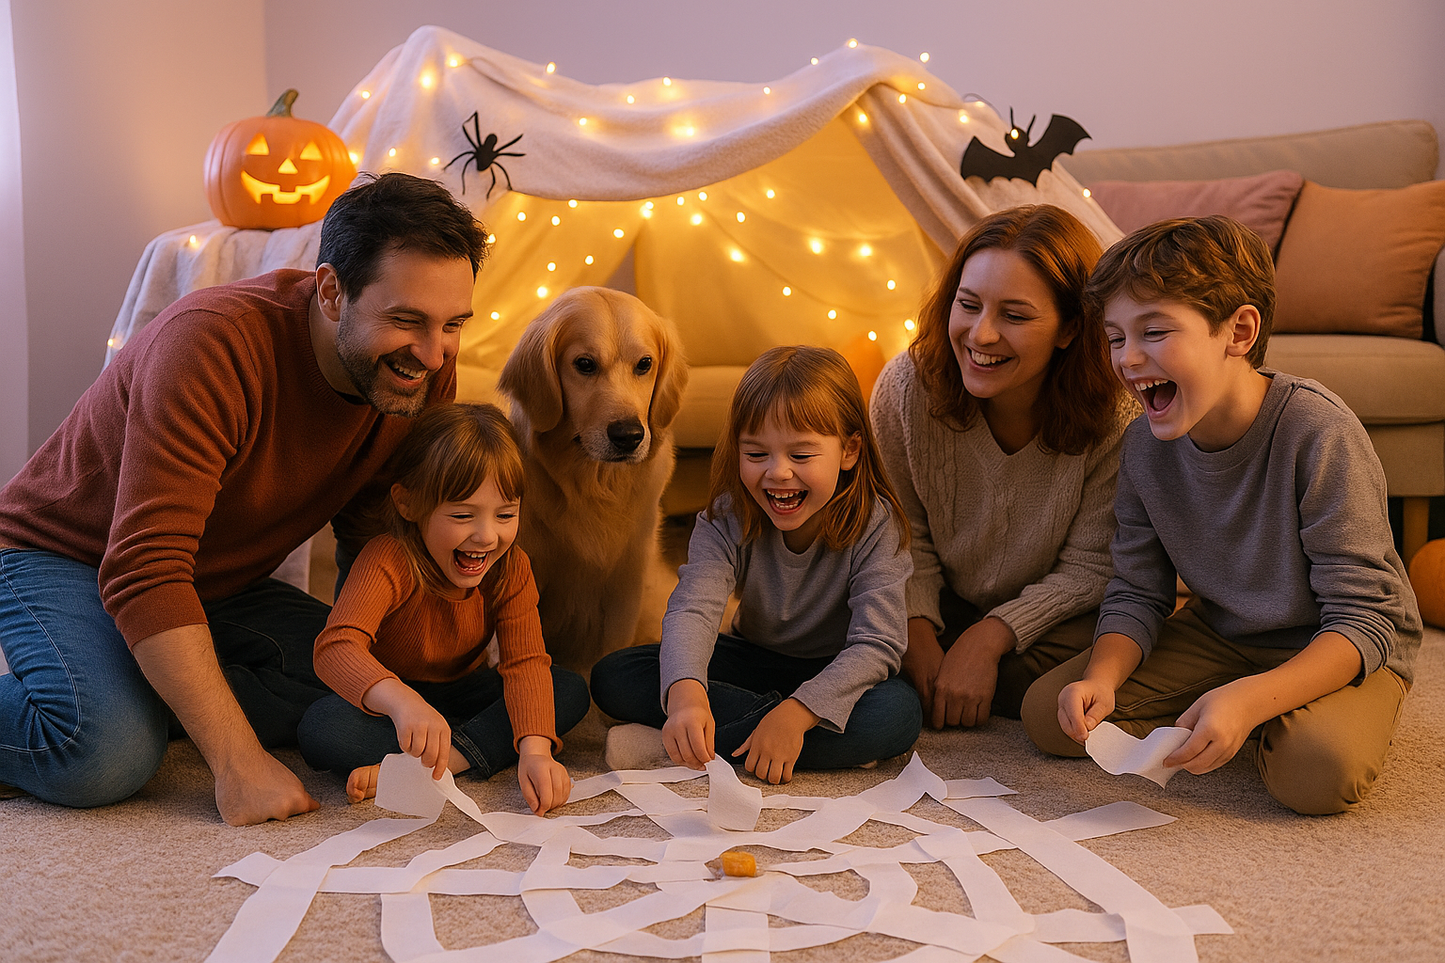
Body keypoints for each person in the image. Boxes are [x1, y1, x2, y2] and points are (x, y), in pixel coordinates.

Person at [0, 172, 488, 825]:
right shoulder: (211, 345)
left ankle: (140, 684)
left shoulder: (415, 369)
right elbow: (146, 569)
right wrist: (236, 761)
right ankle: (117, 705)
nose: (432, 354)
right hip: (65, 557)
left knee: (355, 682)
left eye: (453, 324)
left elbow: (378, 541)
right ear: (332, 291)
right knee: (103, 754)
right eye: (405, 321)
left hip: (217, 581)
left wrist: (399, 668)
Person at [1021, 215, 1422, 815]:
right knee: (1049, 716)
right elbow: (1137, 590)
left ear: (1238, 331)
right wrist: (1102, 678)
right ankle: (1240, 705)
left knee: (1313, 774)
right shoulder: (1142, 447)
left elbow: (1364, 618)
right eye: (1114, 338)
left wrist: (1251, 699)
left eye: (1153, 332)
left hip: (1336, 640)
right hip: (1222, 634)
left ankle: (1269, 708)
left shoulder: (1318, 431)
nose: (1128, 359)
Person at [591, 345, 921, 784]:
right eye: (756, 454)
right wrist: (688, 697)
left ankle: (670, 747)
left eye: (801, 456)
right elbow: (694, 608)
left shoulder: (878, 525)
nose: (778, 473)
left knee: (897, 714)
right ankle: (807, 743)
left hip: (836, 668)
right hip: (750, 659)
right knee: (615, 675)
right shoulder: (728, 515)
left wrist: (798, 713)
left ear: (849, 451)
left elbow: (877, 645)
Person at [870, 204, 1134, 730]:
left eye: (1014, 316)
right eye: (968, 305)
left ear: (1068, 329)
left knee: (1033, 694)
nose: (981, 335)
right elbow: (898, 533)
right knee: (851, 647)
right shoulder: (905, 388)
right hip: (940, 594)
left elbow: (1092, 567)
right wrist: (917, 629)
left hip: (1057, 611)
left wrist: (989, 638)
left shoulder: (1119, 415)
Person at [297, 404, 589, 815]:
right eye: (462, 515)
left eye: (506, 514)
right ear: (409, 505)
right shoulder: (388, 558)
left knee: (566, 689)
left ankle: (448, 760)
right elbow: (335, 648)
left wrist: (537, 752)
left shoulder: (512, 566)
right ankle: (463, 747)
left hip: (467, 691)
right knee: (322, 728)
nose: (487, 535)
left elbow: (525, 663)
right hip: (394, 699)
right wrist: (401, 702)